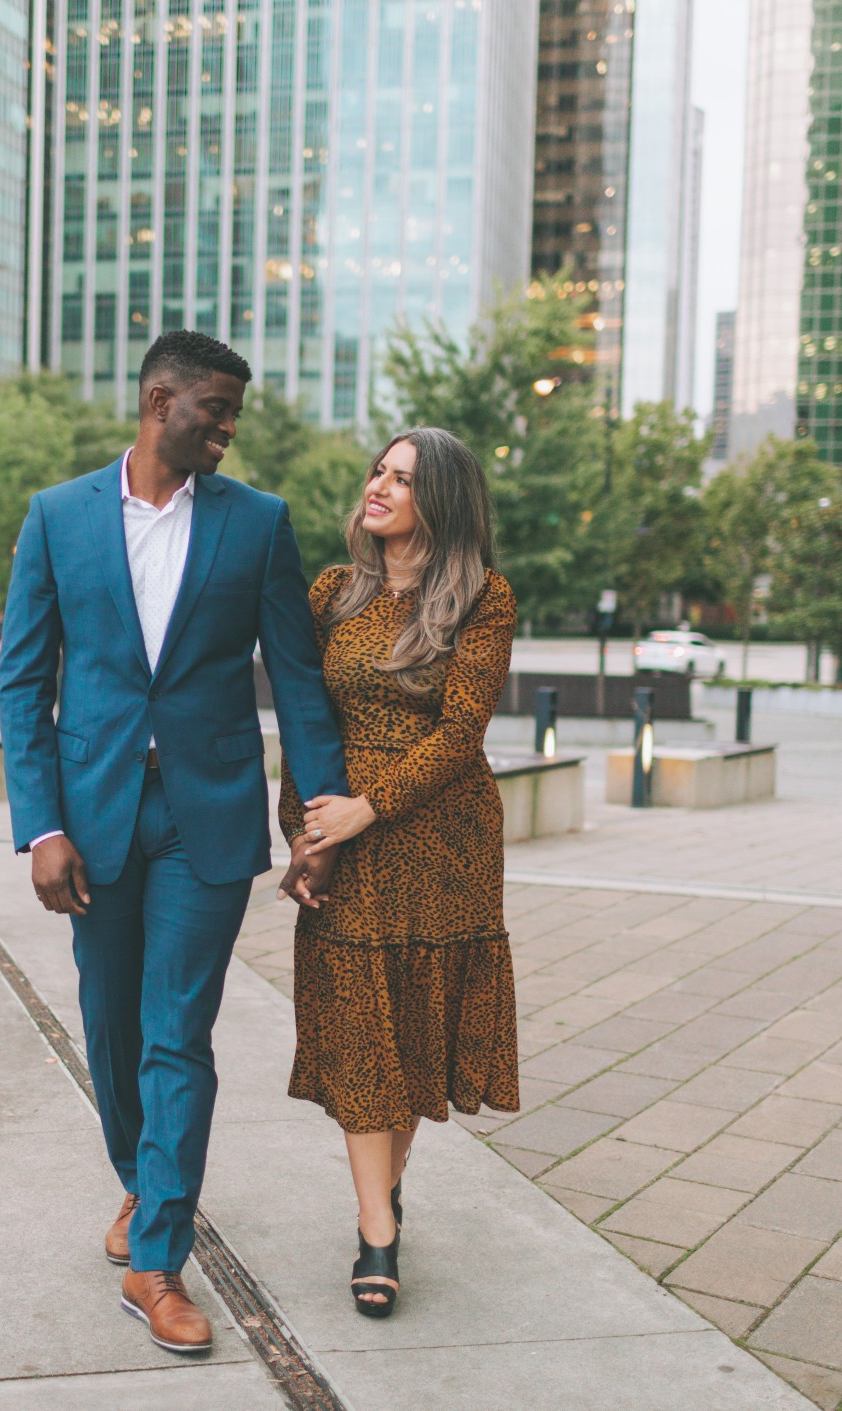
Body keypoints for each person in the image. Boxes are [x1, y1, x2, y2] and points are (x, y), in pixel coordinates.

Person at [0, 330, 350, 1354]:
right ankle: (140, 1181)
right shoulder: (57, 517)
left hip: (207, 818)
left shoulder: (257, 525)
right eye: (216, 411)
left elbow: (297, 680)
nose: (229, 430)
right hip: (95, 816)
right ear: (160, 402)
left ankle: (156, 1256)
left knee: (174, 1034)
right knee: (107, 1025)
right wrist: (41, 824)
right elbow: (23, 682)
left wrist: (315, 817)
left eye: (234, 413)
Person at [275, 427, 523, 1318]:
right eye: (378, 469)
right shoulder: (333, 593)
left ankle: (381, 1196)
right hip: (347, 836)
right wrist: (306, 828)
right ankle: (377, 1226)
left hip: (441, 837)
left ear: (441, 500)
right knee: (358, 1027)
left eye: (402, 478)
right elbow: (305, 716)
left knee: (412, 1029)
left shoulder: (482, 599)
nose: (377, 486)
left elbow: (462, 733)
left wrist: (366, 808)